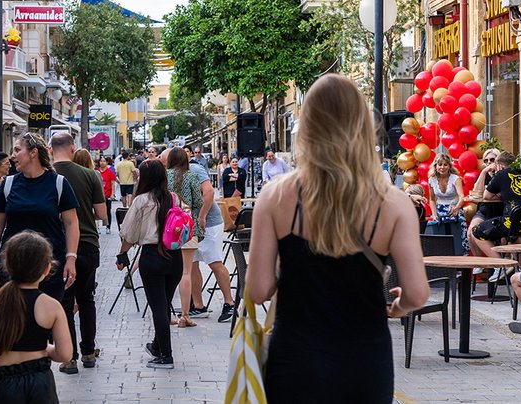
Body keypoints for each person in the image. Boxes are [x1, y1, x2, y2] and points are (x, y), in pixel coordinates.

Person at [246, 74, 429, 402]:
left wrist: (292, 265)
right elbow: (417, 294)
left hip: (294, 362)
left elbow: (258, 289)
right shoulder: (394, 204)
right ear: (362, 126)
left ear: (308, 126)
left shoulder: (274, 197)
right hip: (364, 362)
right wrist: (398, 307)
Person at [0, 231, 73, 402]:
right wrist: (46, 349)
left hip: (0, 385)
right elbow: (65, 355)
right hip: (39, 384)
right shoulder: (51, 306)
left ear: (7, 266)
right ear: (47, 268)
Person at [0, 132, 80, 313]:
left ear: (33, 152)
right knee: (14, 321)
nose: (12, 156)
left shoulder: (58, 183)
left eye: (17, 150)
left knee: (46, 320)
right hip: (13, 265)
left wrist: (71, 258)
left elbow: (71, 223)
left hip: (49, 266)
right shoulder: (9, 184)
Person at [117, 160, 183, 369]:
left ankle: (166, 355)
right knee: (165, 304)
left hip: (152, 256)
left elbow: (129, 234)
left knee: (158, 307)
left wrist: (122, 255)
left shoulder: (141, 201)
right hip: (175, 257)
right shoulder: (174, 198)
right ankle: (157, 345)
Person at [50, 133, 107, 374]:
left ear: (51, 150)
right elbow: (102, 213)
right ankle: (88, 352)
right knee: (87, 299)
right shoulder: (91, 174)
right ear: (72, 148)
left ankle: (69, 357)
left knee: (64, 302)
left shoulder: (46, 176)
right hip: (87, 243)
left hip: (59, 246)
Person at [188, 153, 236, 323]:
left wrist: (202, 216)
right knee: (191, 264)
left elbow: (209, 191)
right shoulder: (173, 174)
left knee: (215, 262)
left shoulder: (194, 169)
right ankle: (198, 305)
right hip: (192, 226)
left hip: (209, 224)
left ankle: (230, 303)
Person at [472, 151, 521, 262]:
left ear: (500, 166)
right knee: (510, 235)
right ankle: (519, 267)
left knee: (476, 231)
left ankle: (502, 265)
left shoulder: (502, 174)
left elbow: (486, 196)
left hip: (511, 224)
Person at [166, 148, 203, 328]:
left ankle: (165, 313)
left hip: (167, 228)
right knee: (185, 272)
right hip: (187, 226)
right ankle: (185, 315)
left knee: (166, 272)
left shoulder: (163, 176)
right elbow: (199, 201)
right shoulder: (190, 176)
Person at [428, 153, 469, 255]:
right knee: (441, 239)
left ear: (449, 166)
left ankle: (460, 264)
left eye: (445, 164)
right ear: (435, 166)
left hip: (454, 209)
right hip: (439, 211)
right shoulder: (431, 180)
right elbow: (432, 200)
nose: (442, 167)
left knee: (458, 239)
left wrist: (456, 208)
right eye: (440, 164)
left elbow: (461, 197)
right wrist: (434, 215)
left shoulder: (455, 179)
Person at [467, 148, 502, 258]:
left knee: (505, 238)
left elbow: (501, 195)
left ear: (498, 160)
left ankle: (502, 263)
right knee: (471, 232)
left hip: (500, 209)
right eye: (486, 161)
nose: (489, 163)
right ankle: (479, 262)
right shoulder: (483, 175)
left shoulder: (502, 175)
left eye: (492, 159)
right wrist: (483, 172)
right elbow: (477, 194)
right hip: (485, 209)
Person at [97, 156, 117, 234]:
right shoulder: (97, 172)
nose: (102, 162)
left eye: (104, 161)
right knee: (97, 210)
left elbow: (113, 184)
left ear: (107, 162)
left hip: (107, 194)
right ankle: (97, 226)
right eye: (101, 161)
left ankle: (108, 227)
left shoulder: (110, 172)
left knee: (107, 211)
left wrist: (112, 194)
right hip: (98, 195)